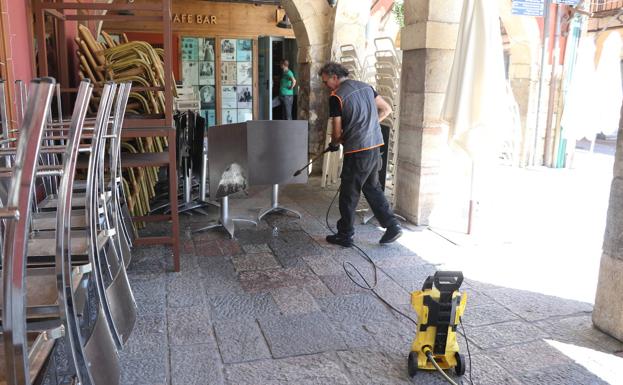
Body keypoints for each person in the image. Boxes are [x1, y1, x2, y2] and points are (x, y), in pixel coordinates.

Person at [319, 62, 402, 247]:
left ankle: (345, 235)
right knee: (372, 188)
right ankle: (392, 225)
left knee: (348, 193)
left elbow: (337, 133)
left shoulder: (336, 97)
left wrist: (334, 144)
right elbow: (386, 109)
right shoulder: (366, 87)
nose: (326, 86)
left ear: (334, 77)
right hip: (375, 147)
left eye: (326, 82)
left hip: (358, 151)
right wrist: (369, 125)